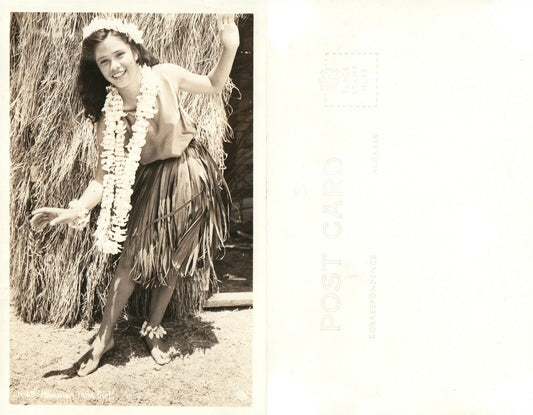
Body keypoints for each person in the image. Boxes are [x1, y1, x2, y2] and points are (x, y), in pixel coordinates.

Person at [30, 14, 239, 376]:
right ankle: (104, 337)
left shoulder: (166, 76)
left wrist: (230, 45)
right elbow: (101, 179)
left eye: (119, 54)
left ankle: (152, 329)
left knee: (174, 258)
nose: (114, 65)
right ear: (97, 69)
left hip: (190, 172)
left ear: (134, 49)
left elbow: (214, 84)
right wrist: (75, 209)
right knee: (130, 260)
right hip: (150, 182)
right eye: (104, 61)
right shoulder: (108, 116)